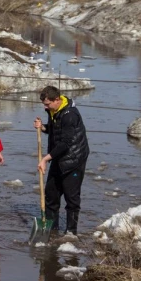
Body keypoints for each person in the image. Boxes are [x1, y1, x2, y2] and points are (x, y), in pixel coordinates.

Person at [33, 86, 89, 235]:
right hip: (58, 158)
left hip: (73, 160)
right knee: (51, 195)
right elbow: (55, 130)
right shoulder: (55, 111)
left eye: (47, 104)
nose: (45, 107)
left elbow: (66, 142)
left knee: (71, 198)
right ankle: (51, 230)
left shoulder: (70, 115)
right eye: (44, 104)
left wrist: (45, 159)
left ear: (57, 100)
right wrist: (43, 128)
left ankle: (71, 232)